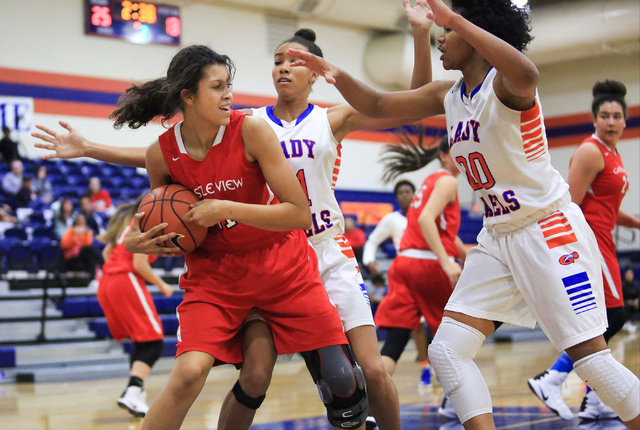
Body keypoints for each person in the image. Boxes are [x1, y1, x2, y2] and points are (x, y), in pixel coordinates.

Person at [31, 3, 436, 429]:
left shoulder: (331, 117)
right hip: (248, 255)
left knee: (366, 372)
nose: (283, 68)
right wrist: (93, 149)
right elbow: (170, 159)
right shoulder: (243, 121)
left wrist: (419, 36)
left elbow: (411, 105)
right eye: (277, 60)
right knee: (255, 374)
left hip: (318, 246)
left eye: (295, 62)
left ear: (315, 73)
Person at [287, 0, 640, 428]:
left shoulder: (508, 85)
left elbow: (529, 72)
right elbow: (382, 103)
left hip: (548, 229)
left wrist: (453, 18)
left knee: (591, 361)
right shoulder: (449, 95)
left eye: (448, 32)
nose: (441, 37)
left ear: (474, 32)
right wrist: (333, 74)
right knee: (447, 350)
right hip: (498, 236)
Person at [104, 44, 367, 430]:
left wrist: (225, 208)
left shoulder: (251, 130)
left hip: (283, 267)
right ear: (188, 97)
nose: (229, 95)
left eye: (229, 86)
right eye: (217, 87)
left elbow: (298, 213)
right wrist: (135, 242)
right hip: (216, 277)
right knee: (190, 373)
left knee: (342, 380)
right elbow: (164, 223)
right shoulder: (161, 154)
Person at [527, 80, 640, 422]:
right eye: (604, 115)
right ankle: (553, 377)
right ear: (594, 120)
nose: (610, 121)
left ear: (625, 121)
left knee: (603, 319)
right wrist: (572, 249)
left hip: (604, 237)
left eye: (616, 116)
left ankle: (593, 400)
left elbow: (605, 204)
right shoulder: (591, 151)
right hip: (588, 240)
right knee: (613, 317)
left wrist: (636, 223)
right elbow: (570, 203)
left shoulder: (613, 153)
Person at [374, 134, 466, 412]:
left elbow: (439, 228)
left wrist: (464, 254)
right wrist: (447, 261)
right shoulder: (448, 181)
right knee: (455, 339)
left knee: (396, 341)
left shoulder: (427, 182)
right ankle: (454, 400)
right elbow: (427, 219)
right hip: (427, 266)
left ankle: (367, 403)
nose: (464, 156)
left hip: (404, 266)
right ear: (444, 155)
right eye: (458, 151)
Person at [96, 199, 174, 417]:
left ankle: (136, 394)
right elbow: (139, 265)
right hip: (125, 280)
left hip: (107, 282)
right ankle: (133, 390)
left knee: (141, 341)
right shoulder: (145, 224)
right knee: (154, 341)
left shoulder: (127, 223)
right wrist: (162, 285)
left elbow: (105, 254)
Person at [363, 179, 415, 276]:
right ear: (396, 197)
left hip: (425, 263)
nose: (404, 195)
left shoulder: (425, 216)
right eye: (401, 193)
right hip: (403, 265)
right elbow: (373, 240)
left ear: (414, 195)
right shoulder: (391, 219)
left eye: (407, 192)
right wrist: (369, 260)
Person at [60, 213, 103, 277]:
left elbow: (88, 243)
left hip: (83, 253)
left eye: (82, 219)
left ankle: (93, 276)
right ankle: (103, 265)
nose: (80, 221)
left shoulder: (88, 231)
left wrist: (83, 233)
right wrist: (75, 234)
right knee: (91, 250)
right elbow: (64, 244)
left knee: (91, 252)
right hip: (71, 254)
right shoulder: (71, 230)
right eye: (79, 219)